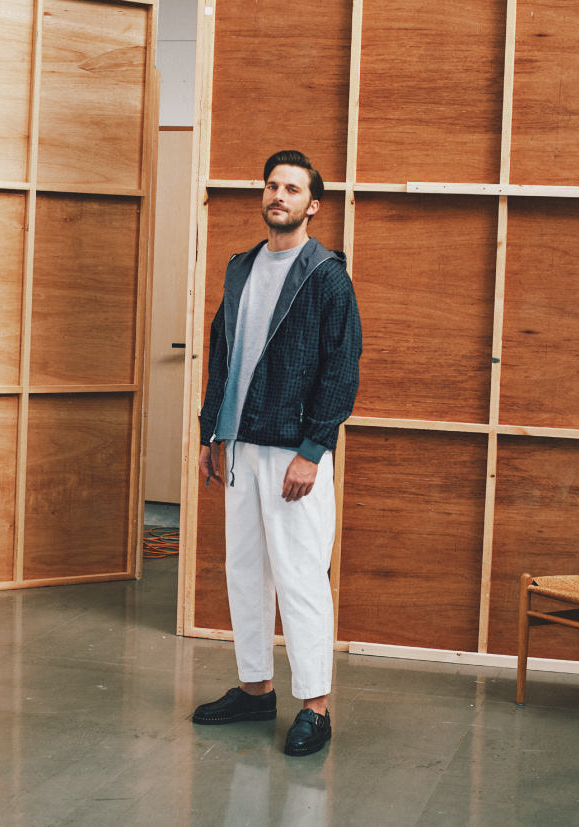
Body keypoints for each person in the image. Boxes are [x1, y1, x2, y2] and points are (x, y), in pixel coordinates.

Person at [192, 149, 362, 756]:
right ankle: (255, 690)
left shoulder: (326, 276)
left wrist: (313, 450)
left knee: (300, 578)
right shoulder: (241, 267)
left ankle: (315, 707)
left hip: (294, 450)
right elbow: (223, 353)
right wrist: (211, 432)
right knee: (245, 572)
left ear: (312, 205)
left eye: (292, 189)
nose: (279, 196)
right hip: (240, 445)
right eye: (272, 186)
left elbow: (341, 368)